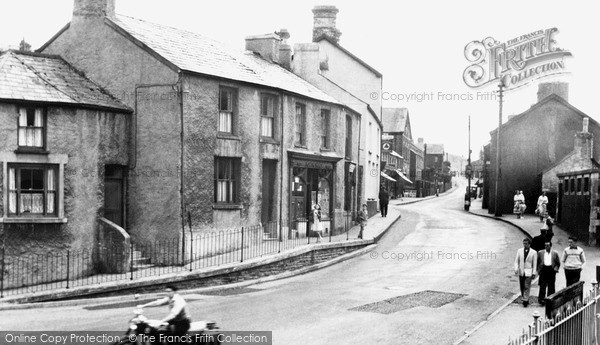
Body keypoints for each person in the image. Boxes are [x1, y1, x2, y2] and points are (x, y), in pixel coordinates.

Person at [514, 238, 537, 307]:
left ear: (529, 244)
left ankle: (525, 300)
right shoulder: (519, 251)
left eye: (526, 244)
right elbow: (516, 261)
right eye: (524, 243)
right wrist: (516, 269)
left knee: (527, 286)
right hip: (521, 271)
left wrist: (533, 273)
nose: (525, 245)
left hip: (528, 272)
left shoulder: (534, 252)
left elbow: (534, 264)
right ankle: (523, 297)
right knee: (522, 286)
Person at [537, 241, 560, 305]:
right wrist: (538, 270)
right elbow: (538, 262)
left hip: (551, 270)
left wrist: (555, 269)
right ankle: (541, 300)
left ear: (550, 246)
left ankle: (550, 299)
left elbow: (558, 263)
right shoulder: (540, 252)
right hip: (543, 269)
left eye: (547, 245)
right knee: (542, 286)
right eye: (545, 245)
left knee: (551, 285)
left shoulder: (555, 253)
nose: (546, 247)